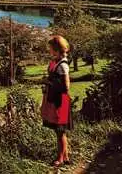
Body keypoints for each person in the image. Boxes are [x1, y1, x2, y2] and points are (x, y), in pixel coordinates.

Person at [41, 35, 72, 167]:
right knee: (58, 130)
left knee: (60, 131)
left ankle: (60, 158)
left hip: (60, 101)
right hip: (54, 100)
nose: (49, 50)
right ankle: (65, 156)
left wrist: (48, 82)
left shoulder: (62, 65)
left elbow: (66, 87)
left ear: (56, 49)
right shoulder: (55, 62)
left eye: (51, 48)